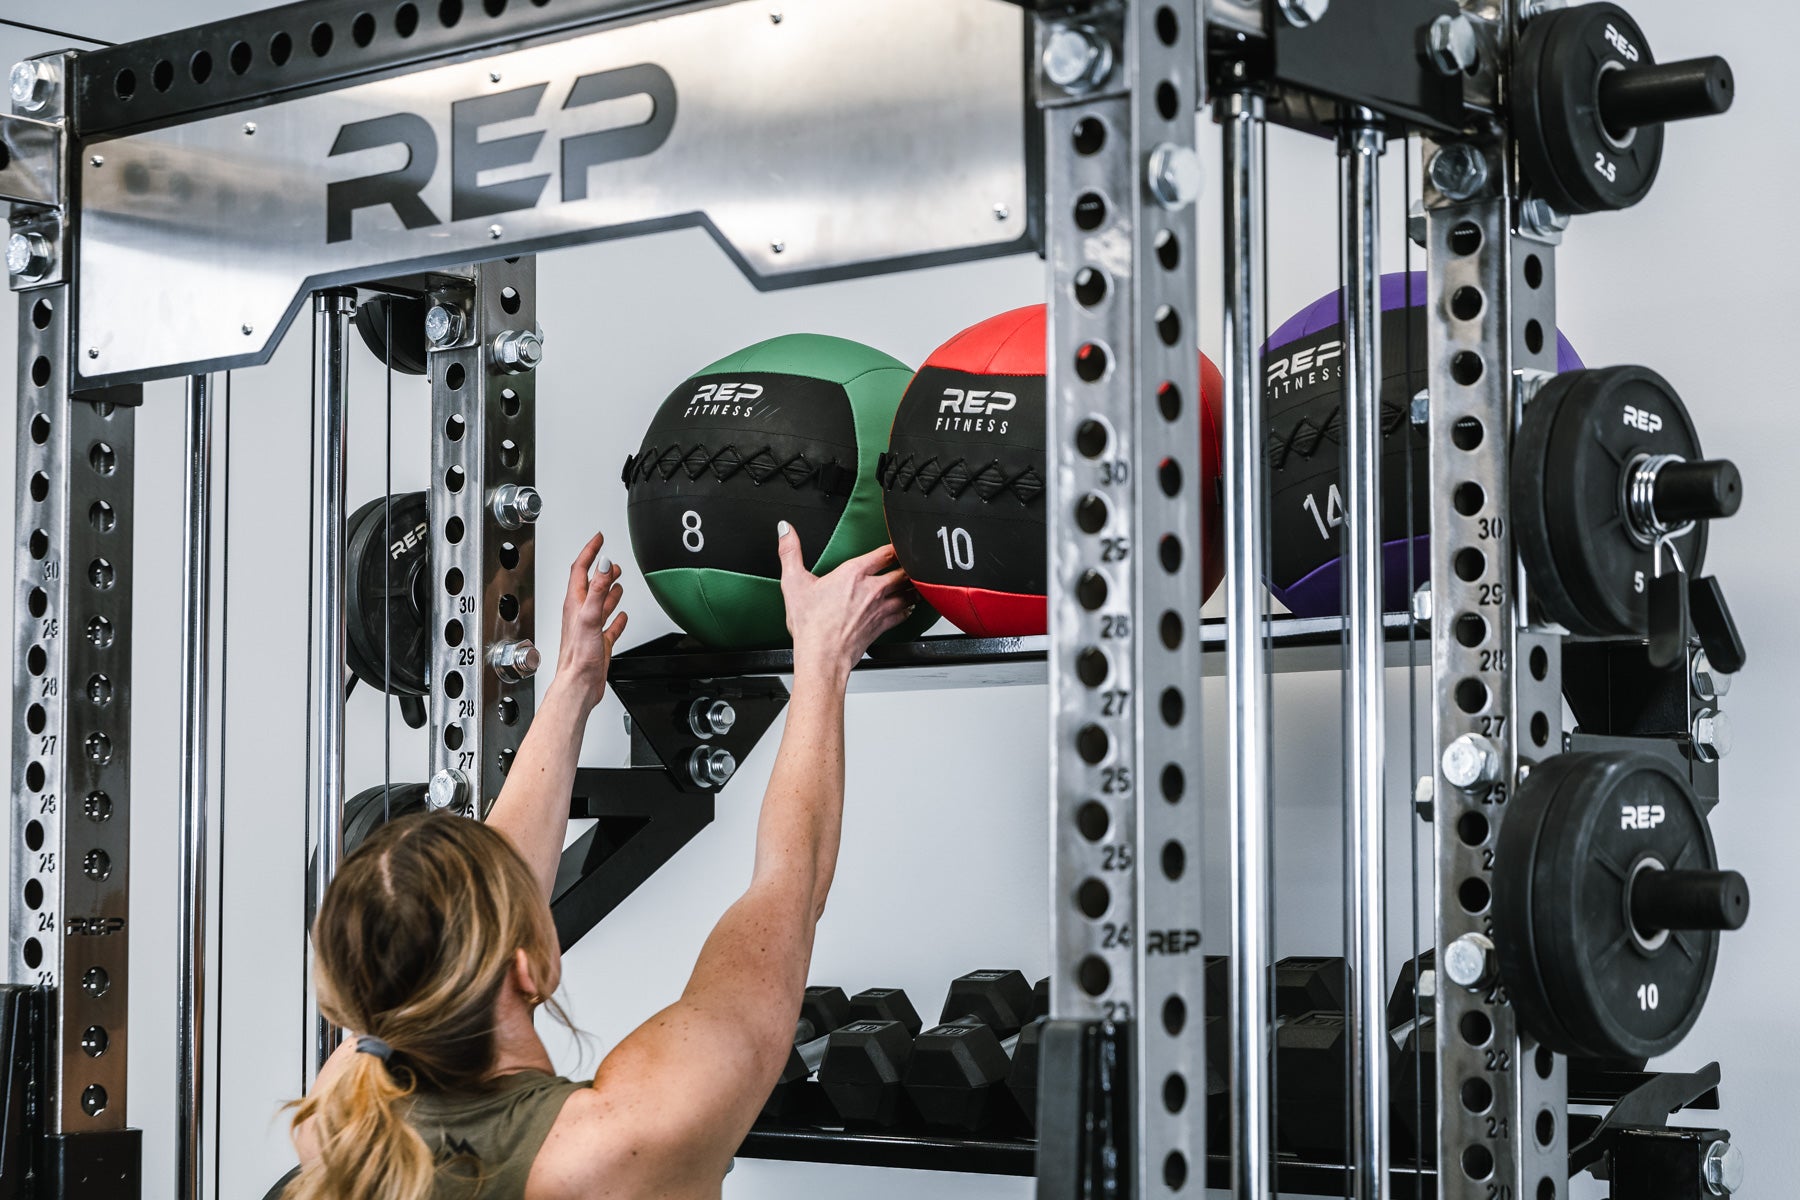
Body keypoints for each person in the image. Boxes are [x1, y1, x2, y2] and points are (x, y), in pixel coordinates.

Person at [283, 521, 916, 1200]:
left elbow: (477, 907)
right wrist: (824, 658)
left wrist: (575, 685)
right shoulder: (619, 1141)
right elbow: (791, 887)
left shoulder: (338, 1126)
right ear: (527, 964)